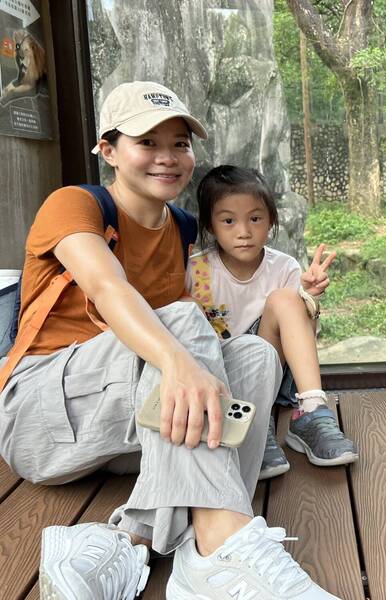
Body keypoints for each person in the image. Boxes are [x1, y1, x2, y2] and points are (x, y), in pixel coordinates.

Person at [0, 81, 338, 599]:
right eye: (148, 142)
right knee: (180, 322)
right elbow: (109, 287)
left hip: (130, 429)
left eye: (179, 143)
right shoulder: (75, 204)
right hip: (41, 417)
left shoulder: (180, 229)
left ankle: (133, 539)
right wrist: (177, 359)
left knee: (253, 354)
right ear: (108, 151)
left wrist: (300, 296)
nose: (168, 157)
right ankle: (221, 542)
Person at [188, 165, 358, 477]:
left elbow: (304, 334)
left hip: (273, 370)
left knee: (284, 299)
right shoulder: (197, 271)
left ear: (271, 222)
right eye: (228, 220)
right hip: (223, 377)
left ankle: (310, 411)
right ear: (210, 227)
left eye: (255, 219)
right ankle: (251, 422)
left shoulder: (284, 267)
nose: (244, 231)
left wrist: (308, 297)